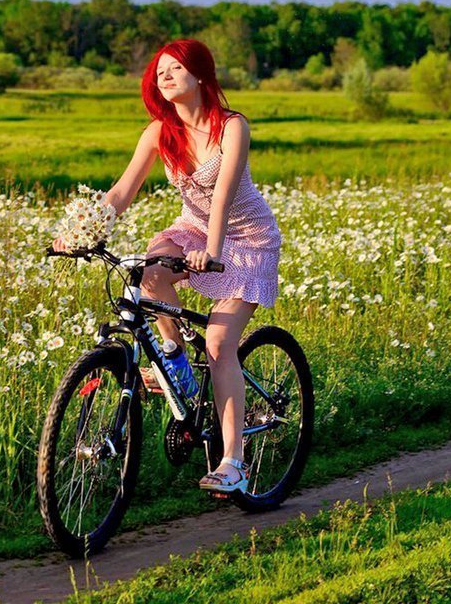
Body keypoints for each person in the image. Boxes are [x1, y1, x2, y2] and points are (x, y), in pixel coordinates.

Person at [52, 38, 282, 494]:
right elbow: (121, 191)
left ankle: (233, 463)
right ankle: (174, 361)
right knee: (149, 273)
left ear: (200, 76)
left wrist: (212, 251)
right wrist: (80, 235)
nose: (166, 76)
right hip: (194, 231)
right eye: (160, 72)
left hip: (246, 239)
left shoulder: (231, 127)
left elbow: (222, 196)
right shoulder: (160, 132)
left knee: (219, 345)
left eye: (176, 68)